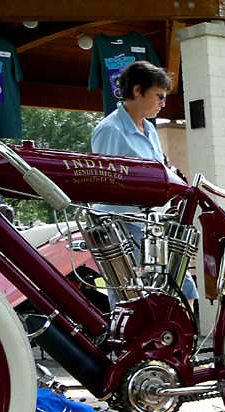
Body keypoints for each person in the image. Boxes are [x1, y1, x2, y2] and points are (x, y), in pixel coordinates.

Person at [90, 60, 196, 304]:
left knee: (179, 282)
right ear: (137, 91)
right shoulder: (110, 130)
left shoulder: (148, 128)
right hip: (120, 226)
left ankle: (183, 337)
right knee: (131, 294)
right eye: (159, 96)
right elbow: (106, 185)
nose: (163, 103)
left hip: (147, 223)